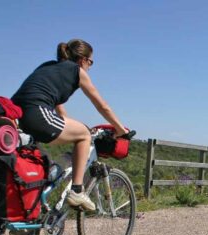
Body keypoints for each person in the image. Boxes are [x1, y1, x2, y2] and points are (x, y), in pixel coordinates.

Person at [11, 39, 129, 211]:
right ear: (82, 60)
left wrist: (72, 125)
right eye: (91, 62)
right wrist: (120, 129)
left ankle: (28, 217)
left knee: (36, 164)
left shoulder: (49, 66)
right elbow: (102, 105)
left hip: (16, 115)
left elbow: (58, 107)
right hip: (36, 113)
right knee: (84, 136)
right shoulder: (77, 71)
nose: (90, 66)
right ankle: (77, 191)